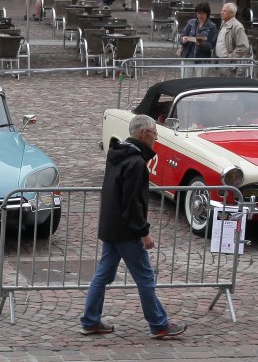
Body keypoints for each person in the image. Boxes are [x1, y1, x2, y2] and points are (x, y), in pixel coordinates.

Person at [80, 116, 188, 340]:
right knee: (145, 277)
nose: (156, 138)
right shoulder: (136, 163)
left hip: (111, 225)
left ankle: (90, 321)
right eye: (155, 134)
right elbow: (133, 203)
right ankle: (159, 324)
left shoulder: (117, 154)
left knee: (103, 274)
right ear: (143, 134)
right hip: (126, 230)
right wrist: (144, 232)